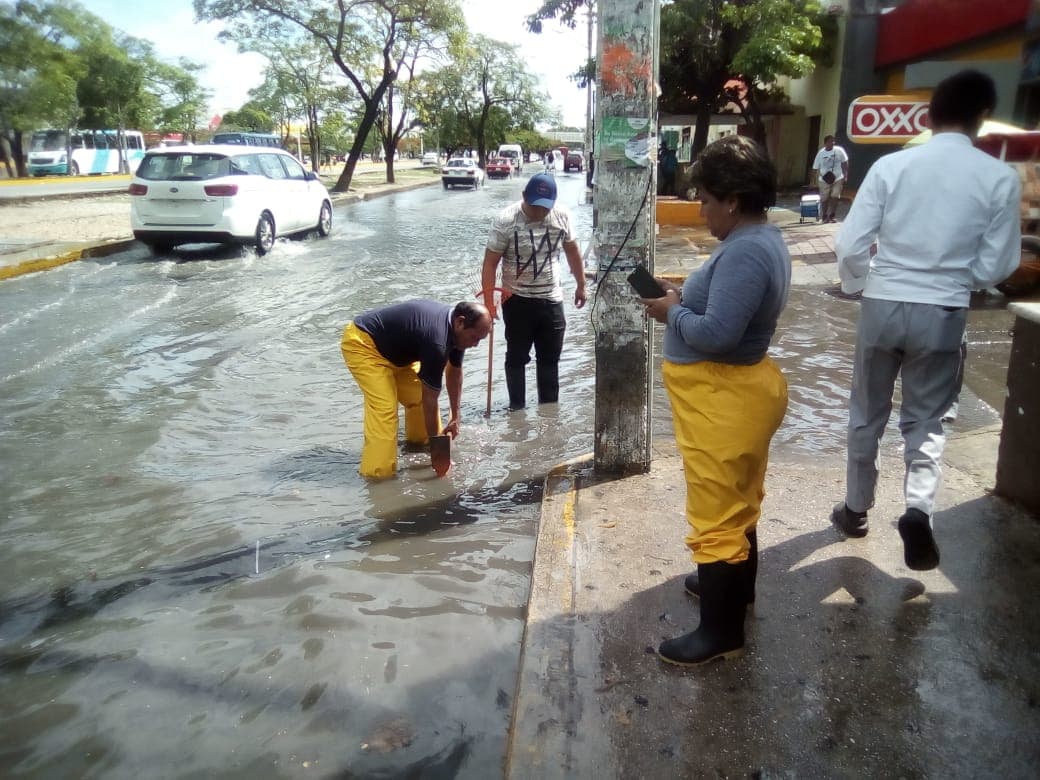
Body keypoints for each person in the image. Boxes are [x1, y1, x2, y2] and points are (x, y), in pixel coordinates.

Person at [831, 69, 1021, 571]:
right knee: (929, 419)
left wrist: (863, 284)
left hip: (883, 301)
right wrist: (959, 279)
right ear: (980, 119)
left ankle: (855, 510)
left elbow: (849, 244)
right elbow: (1000, 264)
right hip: (943, 310)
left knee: (866, 412)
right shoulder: (999, 177)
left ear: (929, 115)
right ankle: (917, 508)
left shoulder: (892, 168)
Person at [639, 135, 791, 666]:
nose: (700, 210)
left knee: (715, 513)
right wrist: (682, 297)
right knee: (740, 498)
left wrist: (669, 314)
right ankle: (733, 592)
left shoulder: (747, 250)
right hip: (735, 394)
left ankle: (719, 634)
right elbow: (722, 313)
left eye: (705, 199)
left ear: (732, 198)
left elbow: (720, 333)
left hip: (724, 398)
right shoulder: (759, 242)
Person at [341, 299, 493, 479]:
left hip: (398, 355)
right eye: (475, 338)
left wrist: (455, 416)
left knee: (417, 398)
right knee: (385, 410)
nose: (475, 344)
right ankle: (377, 476)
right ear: (460, 322)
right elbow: (431, 400)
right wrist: (439, 455)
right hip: (364, 345)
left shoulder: (456, 332)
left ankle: (419, 444)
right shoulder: (437, 343)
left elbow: (454, 371)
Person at [481, 173, 587, 409]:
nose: (539, 213)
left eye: (544, 208)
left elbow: (572, 251)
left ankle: (549, 417)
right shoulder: (506, 220)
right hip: (516, 300)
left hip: (551, 300)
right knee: (516, 359)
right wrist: (490, 302)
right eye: (534, 206)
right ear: (524, 198)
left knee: (550, 361)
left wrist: (581, 284)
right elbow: (490, 263)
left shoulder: (561, 216)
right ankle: (516, 412)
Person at [811, 134, 849, 223]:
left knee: (835, 196)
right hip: (824, 179)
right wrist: (812, 182)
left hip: (838, 177)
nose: (832, 143)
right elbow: (815, 168)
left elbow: (845, 162)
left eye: (833, 141)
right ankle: (824, 215)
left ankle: (832, 215)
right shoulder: (821, 154)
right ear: (825, 143)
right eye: (830, 141)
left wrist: (845, 175)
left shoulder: (839, 151)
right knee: (824, 198)